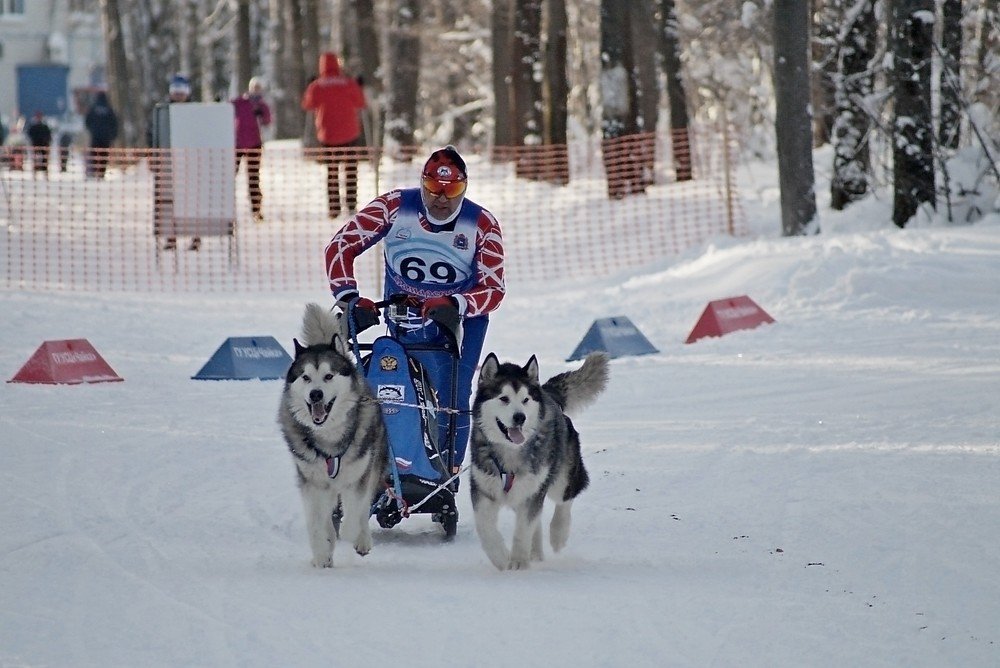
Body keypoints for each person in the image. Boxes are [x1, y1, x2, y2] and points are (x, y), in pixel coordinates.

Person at [324, 145, 506, 481]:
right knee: (394, 388)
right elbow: (339, 247)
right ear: (421, 184)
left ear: (464, 187)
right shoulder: (393, 206)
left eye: (452, 190)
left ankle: (445, 476)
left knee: (455, 390)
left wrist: (457, 303)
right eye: (433, 188)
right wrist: (349, 296)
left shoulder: (482, 224)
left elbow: (494, 291)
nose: (441, 199)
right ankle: (393, 462)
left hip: (458, 323)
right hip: (404, 314)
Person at [301, 52, 366, 218]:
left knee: (332, 171)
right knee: (351, 169)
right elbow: (361, 102)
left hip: (327, 135)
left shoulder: (317, 85)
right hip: (350, 133)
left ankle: (334, 208)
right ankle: (351, 205)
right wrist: (359, 86)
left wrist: (309, 85)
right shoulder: (348, 83)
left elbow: (308, 104)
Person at [151, 75, 200, 251]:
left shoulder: (196, 112)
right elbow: (154, 134)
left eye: (182, 93)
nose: (179, 96)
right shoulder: (162, 112)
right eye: (176, 93)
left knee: (193, 200)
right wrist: (153, 156)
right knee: (169, 201)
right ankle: (171, 236)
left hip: (191, 163)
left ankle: (196, 236)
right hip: (168, 162)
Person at [231, 76, 272, 222]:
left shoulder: (262, 105)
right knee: (230, 177)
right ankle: (227, 209)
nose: (256, 90)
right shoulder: (240, 102)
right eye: (254, 87)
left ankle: (256, 210)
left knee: (253, 179)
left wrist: (262, 114)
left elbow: (268, 120)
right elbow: (227, 108)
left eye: (259, 88)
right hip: (238, 144)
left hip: (255, 144)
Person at [84, 91, 119, 178]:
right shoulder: (109, 109)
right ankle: (102, 173)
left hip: (95, 137)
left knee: (95, 155)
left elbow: (87, 121)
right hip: (106, 138)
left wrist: (92, 130)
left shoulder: (93, 109)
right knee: (104, 155)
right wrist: (113, 135)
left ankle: (95, 171)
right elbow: (114, 123)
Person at [26, 112, 53, 178]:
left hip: (44, 144)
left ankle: (45, 172)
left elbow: (48, 135)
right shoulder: (33, 126)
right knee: (35, 159)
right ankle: (35, 172)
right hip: (36, 144)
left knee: (45, 159)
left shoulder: (45, 126)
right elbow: (29, 134)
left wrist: (47, 142)